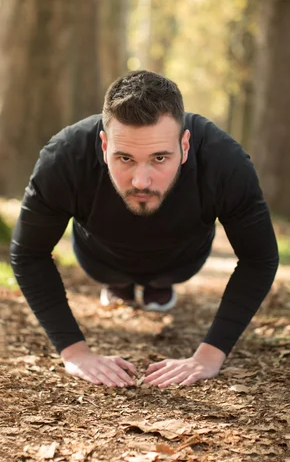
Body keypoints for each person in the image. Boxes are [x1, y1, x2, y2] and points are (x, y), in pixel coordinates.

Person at [10, 71, 279, 389]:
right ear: (104, 144)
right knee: (116, 280)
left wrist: (209, 356)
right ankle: (120, 284)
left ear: (185, 144)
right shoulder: (64, 157)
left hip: (182, 260)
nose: (141, 181)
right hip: (99, 257)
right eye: (124, 158)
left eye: (159, 158)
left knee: (160, 284)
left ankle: (157, 286)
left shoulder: (224, 161)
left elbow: (259, 258)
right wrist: (75, 352)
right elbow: (29, 254)